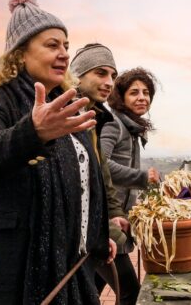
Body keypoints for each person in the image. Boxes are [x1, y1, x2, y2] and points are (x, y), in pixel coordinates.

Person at [0, 0, 117, 305]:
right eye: (52, 45)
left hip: (71, 260)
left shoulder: (69, 107)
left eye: (65, 46)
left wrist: (100, 237)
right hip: (15, 263)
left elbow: (88, 183)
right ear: (20, 54)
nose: (63, 54)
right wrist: (33, 132)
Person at [66, 44, 136, 301]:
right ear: (78, 74)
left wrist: (116, 212)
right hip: (85, 230)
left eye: (113, 76)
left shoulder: (92, 116)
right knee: (129, 290)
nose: (109, 82)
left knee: (90, 292)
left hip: (100, 227)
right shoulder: (66, 113)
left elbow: (101, 173)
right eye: (100, 73)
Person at [99, 68, 162, 304]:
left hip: (116, 220)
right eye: (134, 92)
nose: (142, 97)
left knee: (93, 289)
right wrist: (142, 177)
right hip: (105, 222)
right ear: (121, 97)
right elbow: (100, 164)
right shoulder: (114, 124)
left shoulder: (131, 128)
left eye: (146, 93)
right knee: (129, 292)